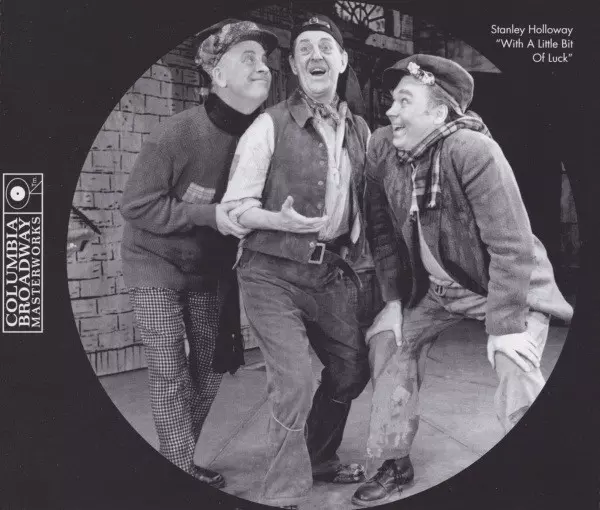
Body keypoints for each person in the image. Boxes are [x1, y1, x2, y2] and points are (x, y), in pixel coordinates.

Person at [351, 54, 574, 507]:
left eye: (404, 101)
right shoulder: (383, 148)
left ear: (438, 112)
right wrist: (393, 303)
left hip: (505, 286)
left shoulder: (472, 150)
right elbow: (381, 232)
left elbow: (511, 245)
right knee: (388, 343)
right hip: (436, 290)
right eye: (391, 100)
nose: (390, 110)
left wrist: (504, 326)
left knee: (514, 364)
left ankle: (542, 468)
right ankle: (394, 461)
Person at [220, 14, 373, 509]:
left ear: (343, 60)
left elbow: (368, 208)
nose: (315, 55)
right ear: (292, 64)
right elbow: (234, 209)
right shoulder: (269, 124)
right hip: (270, 272)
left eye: (325, 47)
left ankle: (320, 456)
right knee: (295, 381)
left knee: (351, 368)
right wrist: (277, 220)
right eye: (304, 48)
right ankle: (283, 491)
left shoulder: (361, 130)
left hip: (328, 273)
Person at [119, 21, 278, 487]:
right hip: (154, 263)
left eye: (264, 59)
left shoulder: (266, 134)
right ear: (217, 74)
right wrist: (209, 215)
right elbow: (136, 206)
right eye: (247, 57)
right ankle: (178, 466)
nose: (262, 66)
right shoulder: (178, 134)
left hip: (211, 269)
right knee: (170, 369)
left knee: (209, 369)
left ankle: (177, 458)